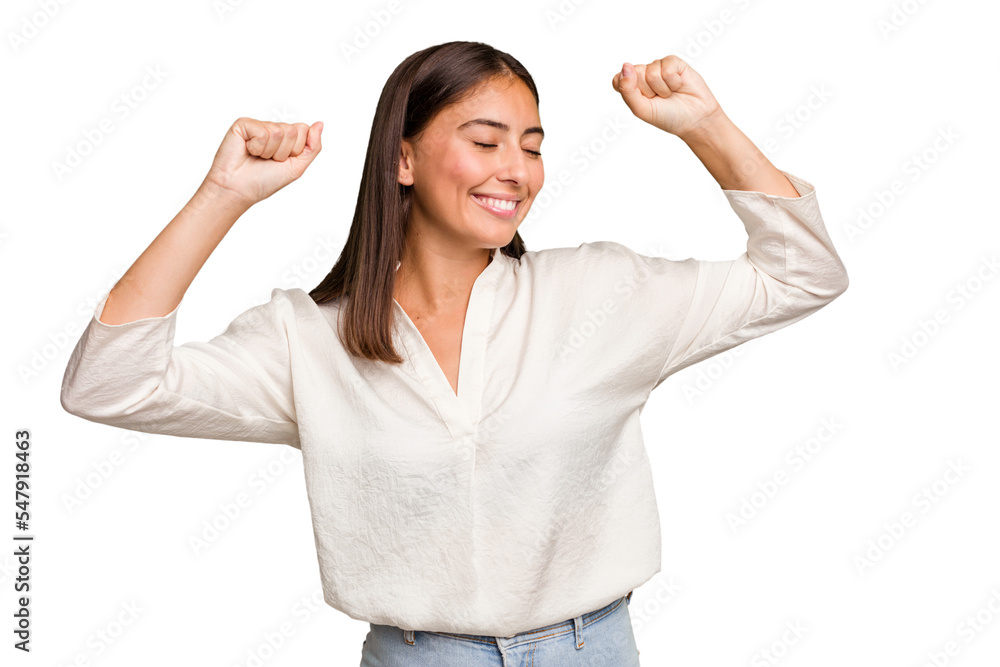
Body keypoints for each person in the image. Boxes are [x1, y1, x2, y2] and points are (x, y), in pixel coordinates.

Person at [60, 40, 849, 666]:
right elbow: (108, 383)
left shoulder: (600, 294)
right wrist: (223, 195)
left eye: (531, 147)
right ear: (402, 160)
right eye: (486, 141)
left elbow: (804, 273)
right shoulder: (308, 339)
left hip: (590, 651)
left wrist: (706, 126)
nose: (517, 170)